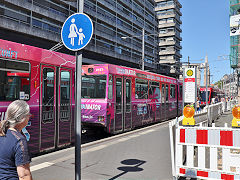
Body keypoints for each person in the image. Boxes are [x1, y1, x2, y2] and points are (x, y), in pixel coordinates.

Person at [0, 100, 32, 180]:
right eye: (28, 114)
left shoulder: (2, 132)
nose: (29, 116)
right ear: (22, 118)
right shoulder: (19, 140)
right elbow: (24, 175)